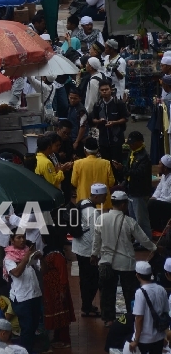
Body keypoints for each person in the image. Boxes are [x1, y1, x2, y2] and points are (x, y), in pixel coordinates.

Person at [92, 189, 156, 326]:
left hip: (106, 262)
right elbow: (143, 239)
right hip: (126, 263)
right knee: (129, 293)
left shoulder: (100, 218)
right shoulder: (129, 221)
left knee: (107, 293)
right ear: (122, 205)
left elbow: (96, 240)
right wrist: (155, 248)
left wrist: (94, 254)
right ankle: (131, 317)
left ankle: (108, 319)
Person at [72, 183, 107, 318]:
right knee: (92, 280)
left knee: (84, 279)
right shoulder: (93, 212)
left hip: (78, 247)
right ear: (97, 196)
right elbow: (95, 235)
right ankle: (86, 307)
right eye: (104, 196)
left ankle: (86, 305)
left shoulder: (83, 202)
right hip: (87, 251)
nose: (106, 198)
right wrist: (95, 254)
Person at [3, 232, 42, 351]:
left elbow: (43, 270)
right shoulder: (9, 258)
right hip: (21, 298)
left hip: (35, 294)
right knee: (27, 327)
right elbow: (17, 273)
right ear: (12, 240)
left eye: (23, 237)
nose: (22, 240)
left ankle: (29, 349)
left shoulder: (30, 254)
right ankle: (25, 351)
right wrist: (26, 258)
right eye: (18, 237)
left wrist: (41, 258)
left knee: (34, 326)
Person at [129, 261, 169, 354]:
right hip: (159, 337)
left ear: (137, 276)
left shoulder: (140, 292)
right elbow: (165, 312)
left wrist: (136, 340)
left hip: (144, 339)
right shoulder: (161, 289)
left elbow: (139, 318)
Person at [119, 131, 152, 240]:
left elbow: (138, 173)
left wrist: (123, 170)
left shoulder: (144, 157)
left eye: (132, 143)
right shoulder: (132, 153)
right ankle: (138, 239)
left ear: (140, 142)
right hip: (131, 190)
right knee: (133, 219)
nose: (130, 145)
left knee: (141, 219)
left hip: (139, 192)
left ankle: (146, 240)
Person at [70, 137, 114, 208]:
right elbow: (111, 182)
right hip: (103, 203)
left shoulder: (77, 163)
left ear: (85, 150)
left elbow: (74, 182)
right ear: (97, 151)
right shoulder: (106, 163)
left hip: (84, 202)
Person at [149, 154, 171, 231]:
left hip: (168, 204)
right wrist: (154, 197)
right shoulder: (164, 176)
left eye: (159, 164)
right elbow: (158, 189)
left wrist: (157, 200)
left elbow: (169, 199)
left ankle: (158, 229)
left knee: (152, 204)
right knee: (149, 200)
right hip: (161, 201)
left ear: (165, 167)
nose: (158, 166)